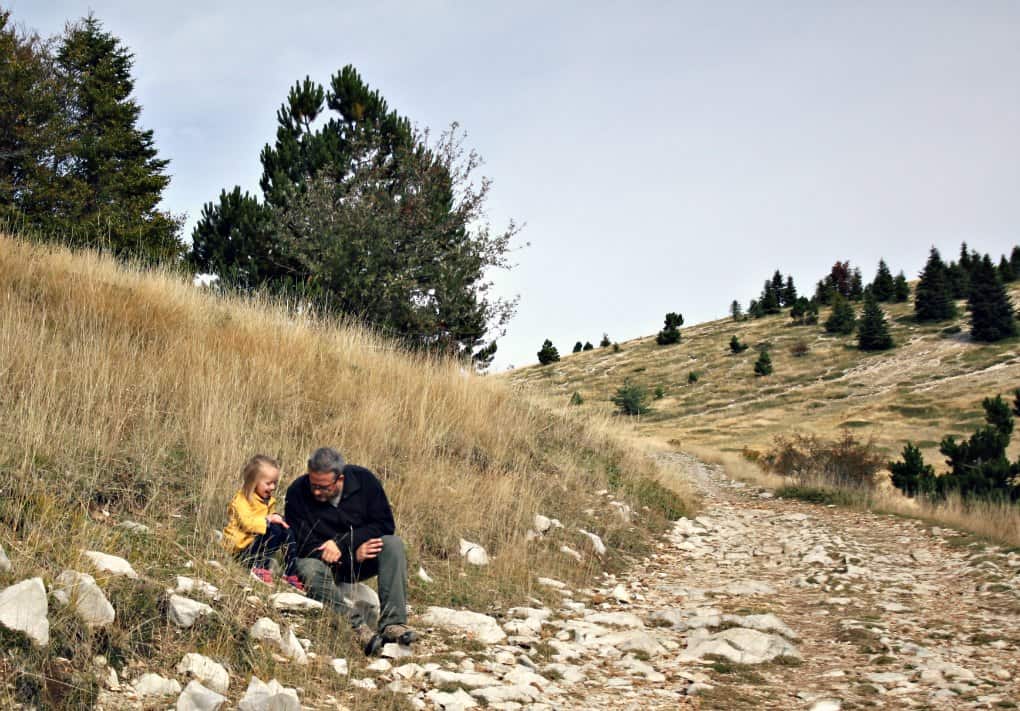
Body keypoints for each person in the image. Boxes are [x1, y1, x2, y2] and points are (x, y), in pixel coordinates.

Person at [284, 446, 416, 655]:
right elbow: (300, 545)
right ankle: (357, 627)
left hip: (361, 558)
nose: (317, 491)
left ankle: (394, 624)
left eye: (324, 487)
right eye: (313, 485)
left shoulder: (365, 481)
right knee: (306, 566)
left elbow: (384, 525)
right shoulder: (297, 493)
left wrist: (347, 546)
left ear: (340, 479)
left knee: (392, 544)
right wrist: (344, 556)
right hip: (323, 565)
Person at [222, 454, 303, 591]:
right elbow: (247, 523)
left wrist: (278, 520)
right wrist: (268, 520)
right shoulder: (242, 500)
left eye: (275, 483)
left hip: (256, 545)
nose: (272, 487)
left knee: (286, 529)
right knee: (274, 527)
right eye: (268, 483)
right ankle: (259, 566)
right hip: (241, 548)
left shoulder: (269, 500)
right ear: (253, 482)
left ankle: (290, 573)